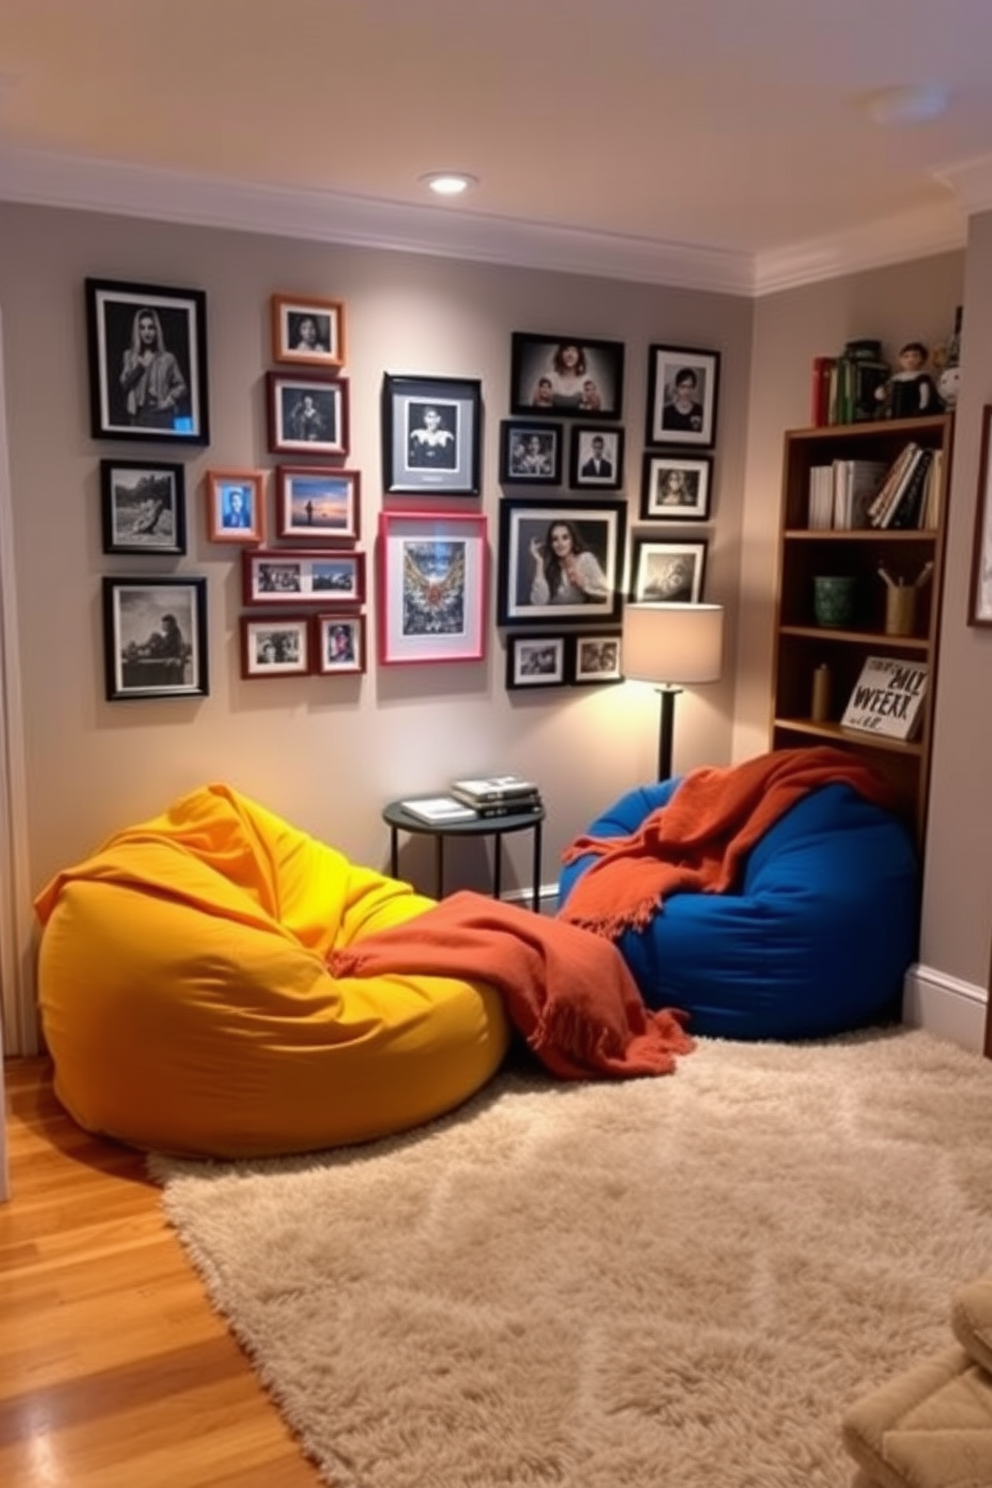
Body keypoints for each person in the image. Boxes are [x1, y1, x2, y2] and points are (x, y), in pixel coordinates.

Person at [119, 307, 188, 430]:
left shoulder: (168, 358)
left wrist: (170, 399)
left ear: (157, 330)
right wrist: (141, 366)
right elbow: (124, 384)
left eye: (151, 327)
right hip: (137, 415)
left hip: (161, 413)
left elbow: (181, 385)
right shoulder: (129, 355)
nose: (147, 332)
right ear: (137, 331)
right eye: (142, 328)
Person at [529, 520, 609, 605]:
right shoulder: (550, 567)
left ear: (572, 540)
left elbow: (605, 593)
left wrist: (583, 584)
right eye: (555, 539)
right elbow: (538, 603)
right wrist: (539, 562)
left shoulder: (585, 559)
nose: (560, 544)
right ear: (551, 544)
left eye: (565, 538)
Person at [875, 341, 943, 419]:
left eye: (915, 356)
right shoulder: (895, 379)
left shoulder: (922, 377)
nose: (910, 359)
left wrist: (922, 409)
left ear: (922, 359)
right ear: (900, 359)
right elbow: (883, 393)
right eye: (906, 356)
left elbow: (925, 396)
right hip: (896, 414)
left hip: (914, 414)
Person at [543, 342, 602, 409]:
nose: (570, 354)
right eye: (566, 350)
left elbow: (595, 409)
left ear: (579, 355)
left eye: (574, 350)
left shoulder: (586, 380)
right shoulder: (549, 378)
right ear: (560, 354)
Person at [662, 368, 705, 433]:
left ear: (694, 388)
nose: (686, 391)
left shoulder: (699, 410)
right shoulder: (667, 412)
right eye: (683, 387)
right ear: (677, 388)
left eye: (690, 387)